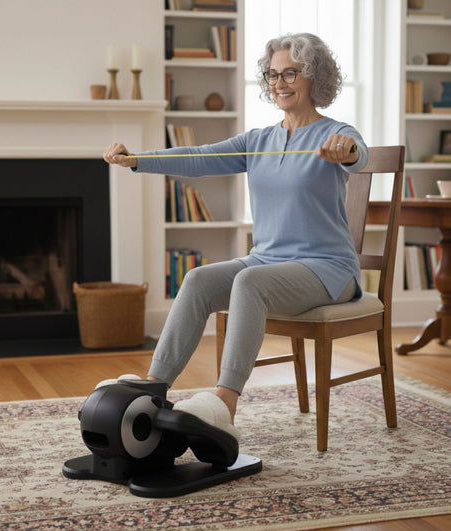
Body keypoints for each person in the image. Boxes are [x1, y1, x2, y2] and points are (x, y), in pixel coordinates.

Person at [103, 33, 368, 441]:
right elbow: (199, 157)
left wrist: (346, 150)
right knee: (198, 279)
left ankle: (223, 404)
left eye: (290, 73)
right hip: (268, 262)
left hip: (328, 269)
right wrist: (137, 159)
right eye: (273, 74)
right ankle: (153, 390)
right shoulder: (257, 141)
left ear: (313, 77)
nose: (279, 83)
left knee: (249, 282)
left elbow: (358, 154)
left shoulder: (335, 133)